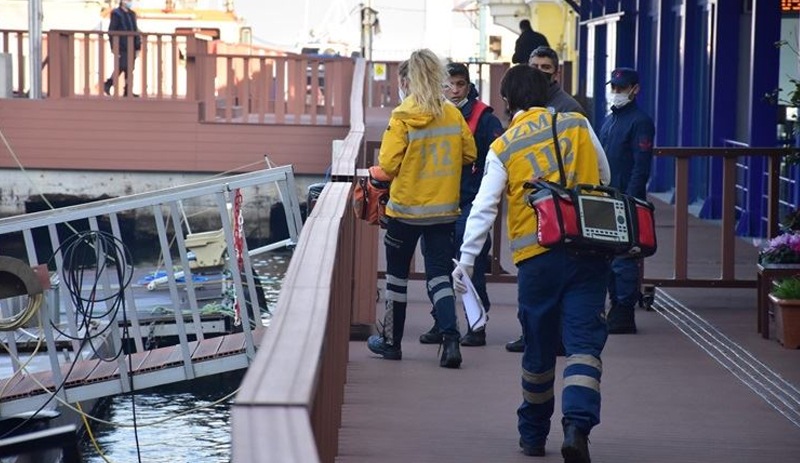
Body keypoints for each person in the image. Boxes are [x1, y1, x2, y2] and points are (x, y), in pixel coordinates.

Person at [453, 65, 610, 462]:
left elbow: (484, 207)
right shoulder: (577, 124)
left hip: (538, 260)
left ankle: (533, 436)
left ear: (507, 102)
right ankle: (577, 426)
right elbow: (605, 175)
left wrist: (467, 260)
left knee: (538, 352)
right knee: (583, 346)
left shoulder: (504, 147)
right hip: (588, 250)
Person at [367, 49, 477, 369]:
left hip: (405, 210)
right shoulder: (452, 114)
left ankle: (391, 343)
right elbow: (469, 154)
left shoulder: (402, 115)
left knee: (397, 278)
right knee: (439, 275)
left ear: (410, 80)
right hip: (443, 211)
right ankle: (451, 340)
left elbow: (387, 165)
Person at [504, 47, 605, 353]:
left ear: (556, 73)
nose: (539, 71)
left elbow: (595, 163)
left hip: (565, 219)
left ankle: (548, 342)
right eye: (534, 66)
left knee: (551, 292)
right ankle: (550, 341)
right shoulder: (540, 109)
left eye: (545, 67)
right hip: (554, 220)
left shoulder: (570, 110)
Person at [418, 62, 504, 347]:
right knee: (437, 264)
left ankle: (476, 326)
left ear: (469, 85)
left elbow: (496, 163)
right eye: (448, 84)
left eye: (460, 84)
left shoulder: (486, 119)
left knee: (472, 263)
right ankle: (441, 321)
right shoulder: (433, 113)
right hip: (439, 200)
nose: (454, 91)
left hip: (470, 201)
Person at [599, 67, 655, 334]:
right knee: (609, 255)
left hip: (626, 199)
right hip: (607, 197)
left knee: (624, 257)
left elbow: (640, 167)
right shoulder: (610, 120)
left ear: (635, 89)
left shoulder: (640, 122)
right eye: (614, 88)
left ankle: (624, 311)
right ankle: (616, 305)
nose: (617, 93)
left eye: (622, 88)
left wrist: (631, 200)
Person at [104, 1, 141, 97]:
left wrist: (138, 46)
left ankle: (128, 90)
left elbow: (135, 30)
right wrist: (114, 47)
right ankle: (108, 84)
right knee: (122, 66)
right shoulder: (116, 13)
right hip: (121, 46)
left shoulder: (132, 14)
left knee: (130, 68)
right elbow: (111, 31)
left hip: (131, 45)